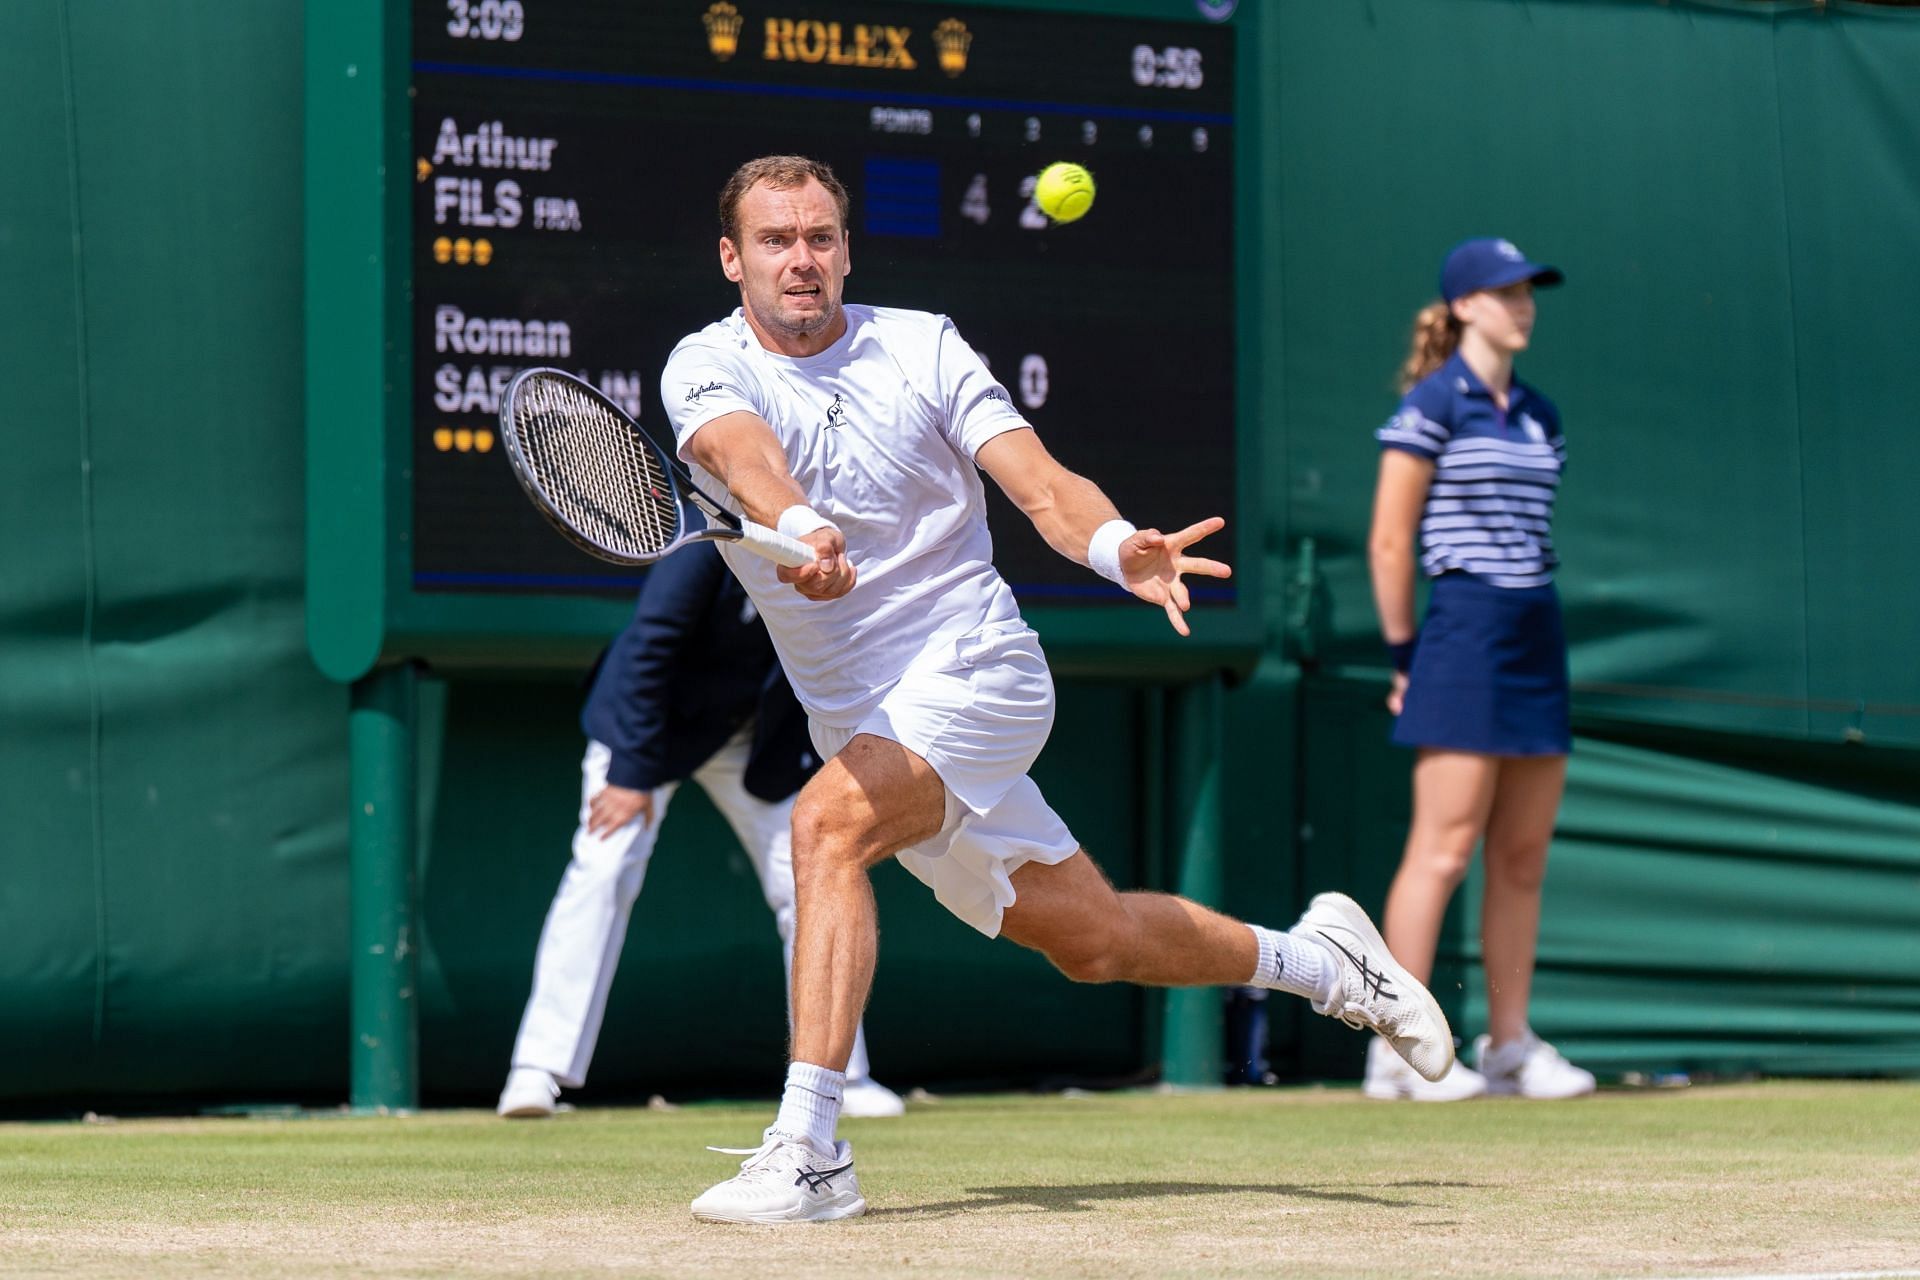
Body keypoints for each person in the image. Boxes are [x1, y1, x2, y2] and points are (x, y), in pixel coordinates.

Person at [665, 154, 1456, 1225]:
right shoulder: (702, 367)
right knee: (1095, 941)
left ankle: (810, 1150)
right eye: (775, 240)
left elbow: (1038, 481)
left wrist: (1117, 543)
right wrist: (801, 526)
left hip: (980, 669)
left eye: (819, 237)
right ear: (733, 258)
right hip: (868, 716)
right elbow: (743, 454)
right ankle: (1324, 960)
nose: (800, 260)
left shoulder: (924, 344)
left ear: (846, 249)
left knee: (826, 826)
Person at [495, 541, 904, 1120]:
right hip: (646, 736)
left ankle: (840, 1079)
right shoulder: (709, 553)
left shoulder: (841, 561)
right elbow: (648, 646)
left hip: (751, 745)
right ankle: (536, 1071)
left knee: (808, 882)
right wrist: (630, 776)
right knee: (604, 869)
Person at [1362, 237, 1596, 1102]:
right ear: (1464, 304)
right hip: (1461, 631)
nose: (1522, 304)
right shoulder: (1432, 406)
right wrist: (1403, 656)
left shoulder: (1541, 412)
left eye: (1529, 290)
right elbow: (1390, 540)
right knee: (1443, 848)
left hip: (1538, 628)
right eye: (1504, 292)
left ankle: (1508, 1044)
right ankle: (1395, 1050)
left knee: (1523, 853)